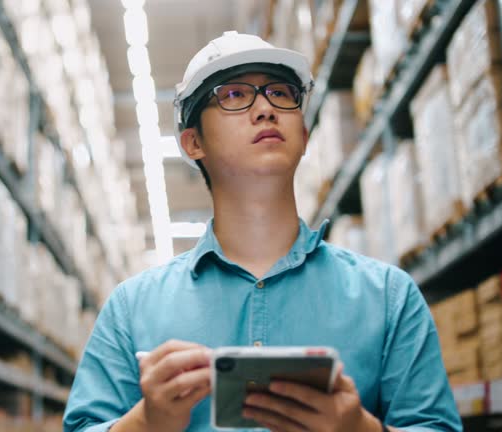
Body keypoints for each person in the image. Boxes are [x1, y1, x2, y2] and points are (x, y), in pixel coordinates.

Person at [63, 31, 461, 432]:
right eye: (234, 95)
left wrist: (359, 429)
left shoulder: (389, 298)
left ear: (304, 136)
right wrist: (148, 422)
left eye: (281, 94)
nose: (266, 109)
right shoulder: (131, 311)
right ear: (193, 142)